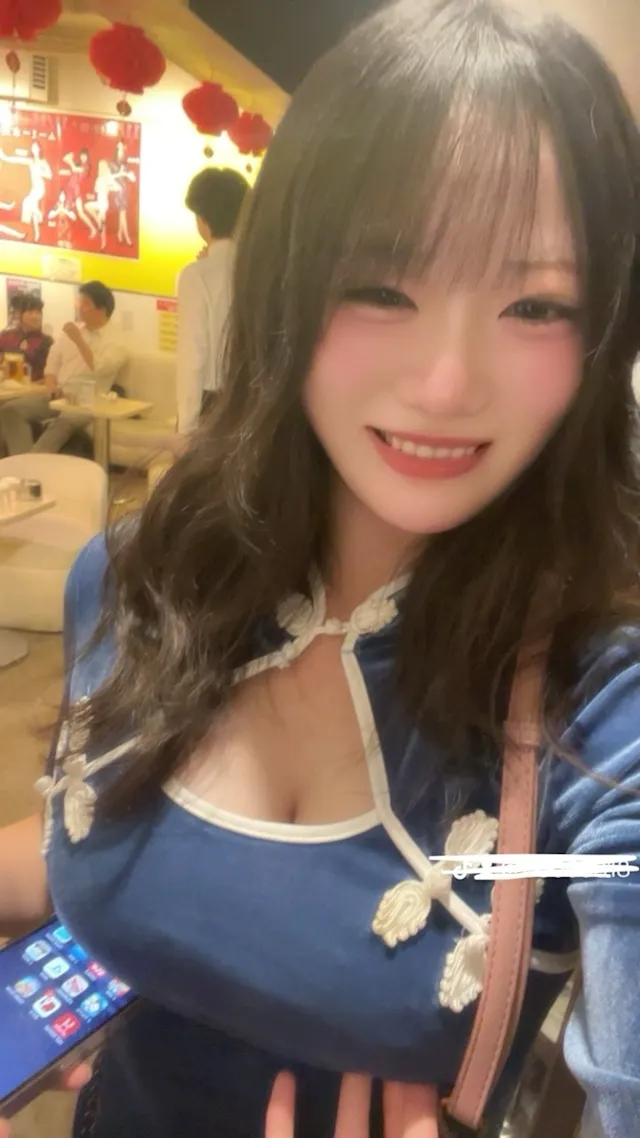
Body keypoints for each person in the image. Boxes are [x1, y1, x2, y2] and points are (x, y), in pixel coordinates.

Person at [1, 2, 640, 1137]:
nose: (445, 383)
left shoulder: (602, 716)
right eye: (381, 287)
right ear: (286, 281)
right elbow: (104, 845)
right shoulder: (143, 575)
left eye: (535, 304)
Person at [0, 281, 127, 455]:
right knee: (10, 409)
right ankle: (22, 458)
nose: (80, 307)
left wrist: (79, 340)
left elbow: (98, 367)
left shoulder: (117, 341)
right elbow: (53, 359)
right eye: (80, 302)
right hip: (59, 394)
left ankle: (34, 459)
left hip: (89, 403)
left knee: (62, 423)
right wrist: (51, 384)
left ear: (101, 309)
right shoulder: (73, 330)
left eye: (86, 304)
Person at [175, 166, 249, 436]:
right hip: (255, 404)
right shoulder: (262, 270)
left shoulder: (196, 276)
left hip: (214, 405)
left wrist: (186, 428)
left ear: (202, 220)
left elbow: (193, 357)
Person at [0, 293, 53, 381]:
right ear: (18, 314)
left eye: (38, 312)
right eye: (30, 312)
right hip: (7, 386)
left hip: (35, 387)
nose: (35, 316)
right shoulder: (5, 336)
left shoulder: (47, 341)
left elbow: (53, 371)